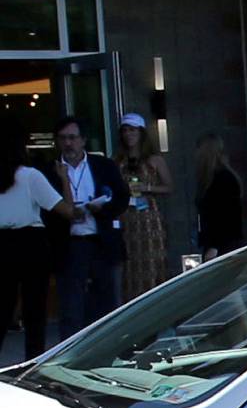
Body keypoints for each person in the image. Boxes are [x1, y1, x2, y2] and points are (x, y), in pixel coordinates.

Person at [49, 113, 130, 337]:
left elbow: (122, 197)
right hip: (70, 242)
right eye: (63, 138)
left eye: (73, 138)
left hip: (100, 239)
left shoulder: (103, 165)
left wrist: (101, 208)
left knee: (107, 303)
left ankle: (111, 351)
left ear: (83, 140)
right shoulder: (50, 171)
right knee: (71, 307)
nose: (68, 143)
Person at [0, 119, 72, 360]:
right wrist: (64, 179)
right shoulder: (30, 176)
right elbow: (65, 211)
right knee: (35, 312)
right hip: (31, 242)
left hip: (2, 243)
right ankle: (33, 361)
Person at [116, 112, 172, 298]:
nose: (128, 134)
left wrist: (147, 187)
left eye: (132, 130)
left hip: (149, 218)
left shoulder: (154, 160)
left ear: (141, 133)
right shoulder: (117, 161)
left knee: (153, 263)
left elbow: (169, 186)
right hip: (126, 218)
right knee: (129, 265)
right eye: (125, 130)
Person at [194, 132, 245, 257]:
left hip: (223, 244)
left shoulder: (222, 179)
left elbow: (225, 215)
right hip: (217, 241)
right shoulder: (212, 179)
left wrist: (214, 245)